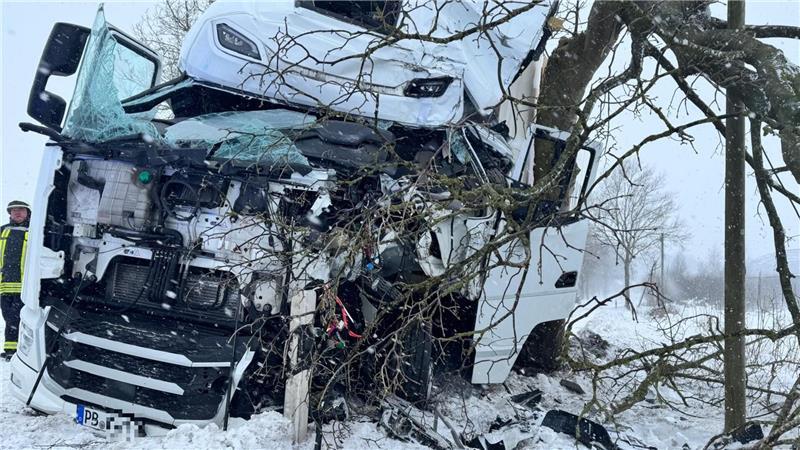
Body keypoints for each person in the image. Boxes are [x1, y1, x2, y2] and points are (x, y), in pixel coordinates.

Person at [1, 200, 30, 360]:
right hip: (4, 285)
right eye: (14, 210)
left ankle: (17, 352)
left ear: (27, 212)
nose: (17, 213)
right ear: (9, 213)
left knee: (17, 318)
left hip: (25, 286)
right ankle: (10, 349)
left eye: (21, 210)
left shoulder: (35, 232)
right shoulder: (2, 231)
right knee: (8, 318)